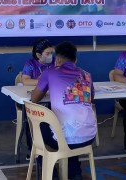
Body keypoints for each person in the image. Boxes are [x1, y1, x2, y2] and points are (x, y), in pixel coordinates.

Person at [31, 41, 97, 180]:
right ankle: (74, 173)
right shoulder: (87, 75)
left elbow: (34, 99)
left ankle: (50, 173)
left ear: (58, 59)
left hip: (63, 139)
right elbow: (91, 98)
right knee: (69, 129)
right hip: (89, 136)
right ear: (76, 60)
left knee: (37, 125)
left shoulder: (50, 72)